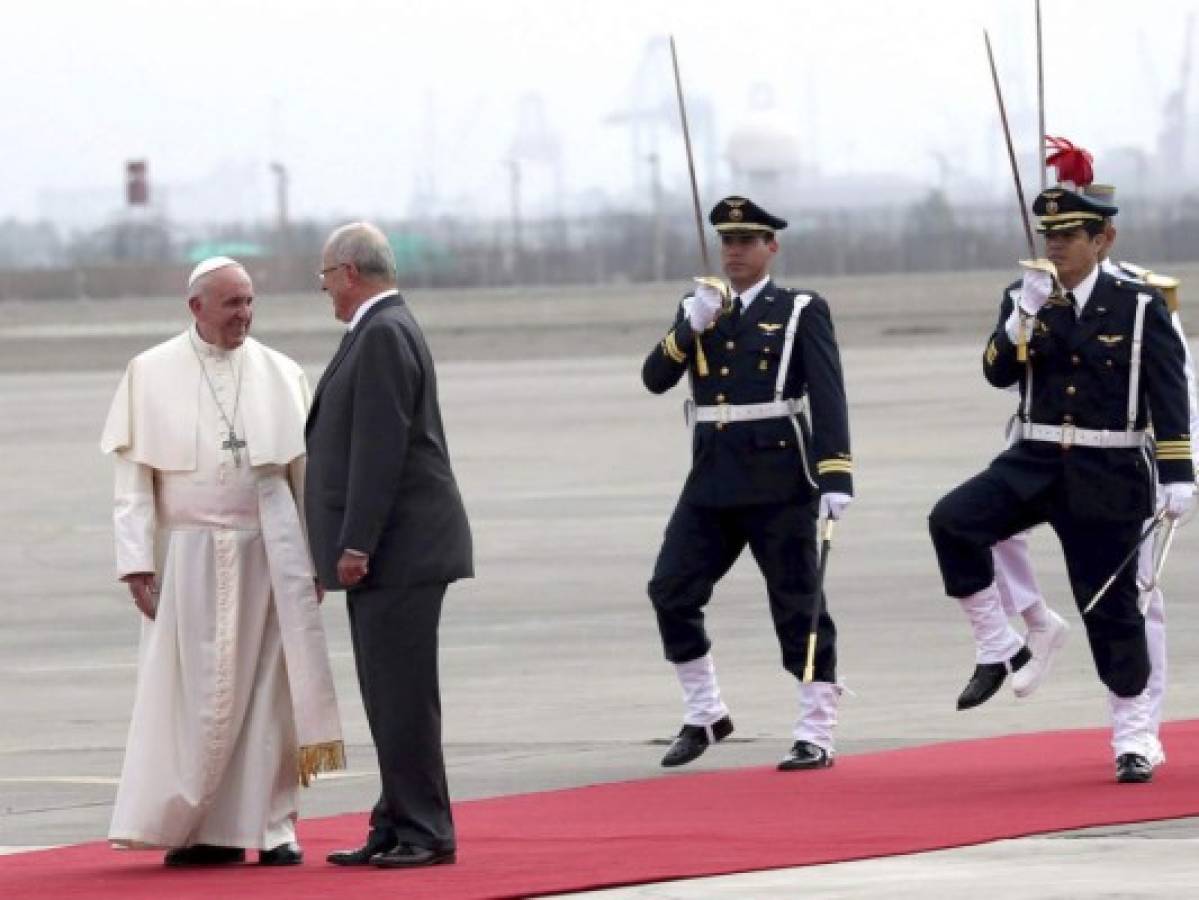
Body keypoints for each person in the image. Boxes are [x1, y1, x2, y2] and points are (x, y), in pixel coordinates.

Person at [928, 174, 1195, 783]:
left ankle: (1133, 734)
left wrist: (1179, 472)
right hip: (1037, 458)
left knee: (1111, 608)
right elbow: (997, 374)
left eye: (1070, 234)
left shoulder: (1138, 304)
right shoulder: (1027, 296)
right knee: (954, 520)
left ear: (1103, 238)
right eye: (1050, 234)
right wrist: (1020, 317)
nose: (1057, 245)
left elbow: (1169, 391)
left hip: (1109, 465)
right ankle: (998, 644)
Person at [100, 256, 344, 866]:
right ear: (196, 307)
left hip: (270, 552)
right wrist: (136, 562)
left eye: (250, 302)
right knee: (189, 697)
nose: (245, 315)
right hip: (186, 558)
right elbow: (132, 481)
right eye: (232, 303)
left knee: (268, 694)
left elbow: (305, 476)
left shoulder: (282, 372)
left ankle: (271, 827)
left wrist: (314, 562)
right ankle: (200, 830)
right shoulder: (149, 373)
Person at [642, 196, 854, 772]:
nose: (734, 251)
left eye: (747, 241)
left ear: (771, 247)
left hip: (780, 475)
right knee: (671, 589)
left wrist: (837, 472)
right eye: (727, 241)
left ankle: (816, 727)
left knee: (797, 603)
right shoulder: (700, 306)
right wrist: (689, 329)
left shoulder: (800, 308)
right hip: (712, 477)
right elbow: (655, 378)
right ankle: (705, 711)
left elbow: (828, 392)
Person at [305, 223, 472, 869]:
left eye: (324, 277)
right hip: (393, 552)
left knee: (402, 697)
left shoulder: (380, 335)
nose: (324, 291)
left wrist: (355, 544)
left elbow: (380, 451)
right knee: (386, 694)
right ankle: (396, 821)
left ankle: (426, 831)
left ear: (348, 272)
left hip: (397, 551)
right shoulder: (382, 329)